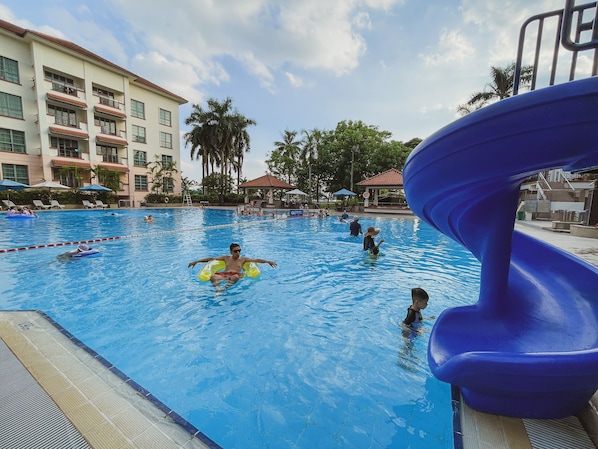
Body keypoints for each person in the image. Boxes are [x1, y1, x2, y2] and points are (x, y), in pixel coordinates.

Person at [188, 242, 277, 289]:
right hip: (225, 275)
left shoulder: (243, 259)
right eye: (235, 251)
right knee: (212, 277)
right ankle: (218, 289)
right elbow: (211, 259)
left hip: (236, 275)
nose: (238, 253)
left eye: (239, 250)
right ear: (231, 252)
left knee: (235, 277)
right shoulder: (226, 258)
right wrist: (196, 261)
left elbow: (256, 260)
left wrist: (268, 261)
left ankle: (225, 288)